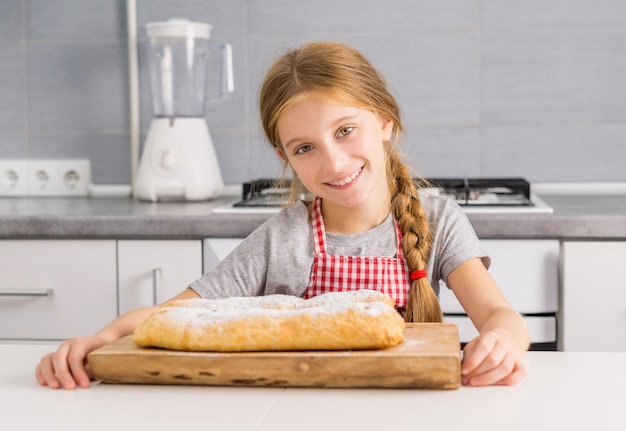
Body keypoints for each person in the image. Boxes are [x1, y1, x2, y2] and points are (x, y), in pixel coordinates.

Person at [36, 41, 529, 390]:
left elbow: (500, 316)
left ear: (385, 122)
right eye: (305, 147)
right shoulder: (283, 238)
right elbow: (172, 315)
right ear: (285, 158)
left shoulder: (436, 220)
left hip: (406, 405)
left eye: (346, 130)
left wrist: (502, 341)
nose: (333, 162)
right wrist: (98, 340)